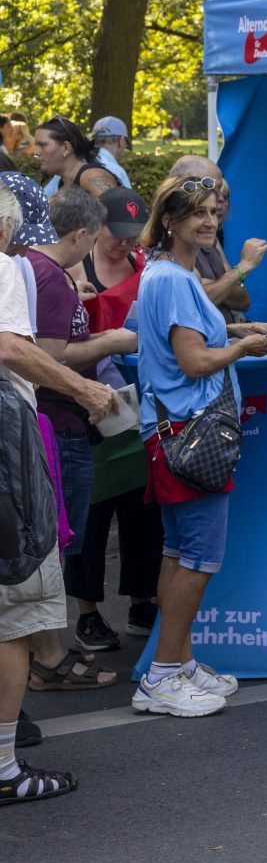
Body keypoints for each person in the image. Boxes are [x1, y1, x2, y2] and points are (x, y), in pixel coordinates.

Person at [131, 174, 267, 717]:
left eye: (215, 211)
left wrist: (240, 335)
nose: (210, 221)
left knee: (179, 552)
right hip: (191, 435)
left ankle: (179, 663)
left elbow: (187, 346)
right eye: (197, 212)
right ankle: (164, 675)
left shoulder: (171, 273)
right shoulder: (172, 279)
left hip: (175, 432)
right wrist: (246, 349)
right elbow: (193, 362)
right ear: (169, 219)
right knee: (197, 558)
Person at [0, 180, 110, 804]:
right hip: (8, 451)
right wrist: (89, 389)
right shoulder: (9, 268)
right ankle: (5, 768)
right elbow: (13, 347)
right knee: (16, 613)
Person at [24, 190, 139, 654]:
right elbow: (52, 356)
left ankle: (42, 652)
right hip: (62, 426)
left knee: (52, 543)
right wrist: (113, 343)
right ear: (80, 234)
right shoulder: (49, 275)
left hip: (58, 422)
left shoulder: (38, 269)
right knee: (56, 544)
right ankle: (47, 655)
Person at [69, 187, 161, 644]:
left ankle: (142, 601)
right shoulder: (73, 270)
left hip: (140, 407)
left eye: (131, 236)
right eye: (115, 234)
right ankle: (86, 612)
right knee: (91, 513)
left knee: (142, 509)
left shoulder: (144, 268)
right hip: (87, 403)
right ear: (94, 225)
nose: (123, 244)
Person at [167, 157, 266, 323]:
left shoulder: (208, 238)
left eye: (212, 213)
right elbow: (191, 313)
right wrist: (242, 268)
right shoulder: (165, 253)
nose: (220, 199)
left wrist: (217, 286)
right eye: (212, 188)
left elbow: (243, 300)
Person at [32, 118, 118, 200]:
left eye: (43, 145)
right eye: (37, 146)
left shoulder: (91, 177)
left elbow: (116, 212)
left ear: (66, 148)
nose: (36, 152)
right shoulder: (64, 181)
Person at [87, 118, 133, 188]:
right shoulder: (117, 172)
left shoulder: (85, 162)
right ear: (121, 140)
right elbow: (129, 199)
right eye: (126, 143)